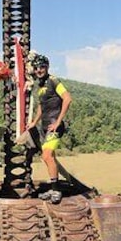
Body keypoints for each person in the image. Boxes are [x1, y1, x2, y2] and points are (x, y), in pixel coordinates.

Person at [26, 53, 71, 203]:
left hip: (54, 127)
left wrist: (59, 121)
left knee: (46, 155)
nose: (39, 70)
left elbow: (67, 98)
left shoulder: (53, 81)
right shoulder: (41, 85)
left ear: (47, 67)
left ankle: (56, 190)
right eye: (37, 68)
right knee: (49, 157)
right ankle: (53, 187)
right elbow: (41, 106)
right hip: (45, 126)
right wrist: (34, 122)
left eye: (42, 67)